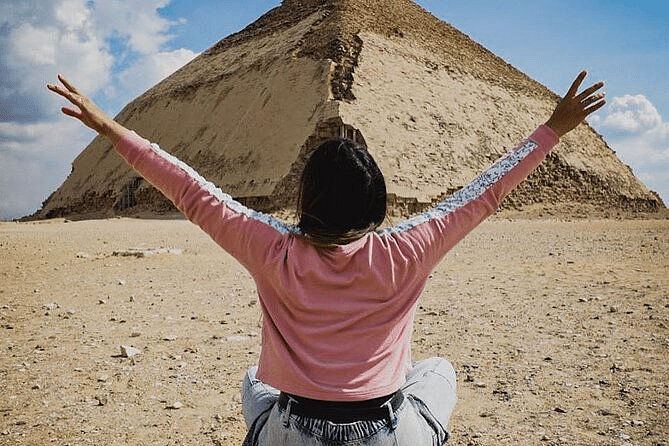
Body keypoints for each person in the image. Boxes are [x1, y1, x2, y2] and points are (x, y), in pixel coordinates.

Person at [48, 71, 605, 445]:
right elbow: (486, 191)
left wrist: (108, 127)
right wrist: (552, 129)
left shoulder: (268, 247)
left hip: (295, 430)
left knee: (253, 382)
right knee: (437, 372)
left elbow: (190, 189)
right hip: (383, 432)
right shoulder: (410, 248)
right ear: (376, 201)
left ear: (306, 197)